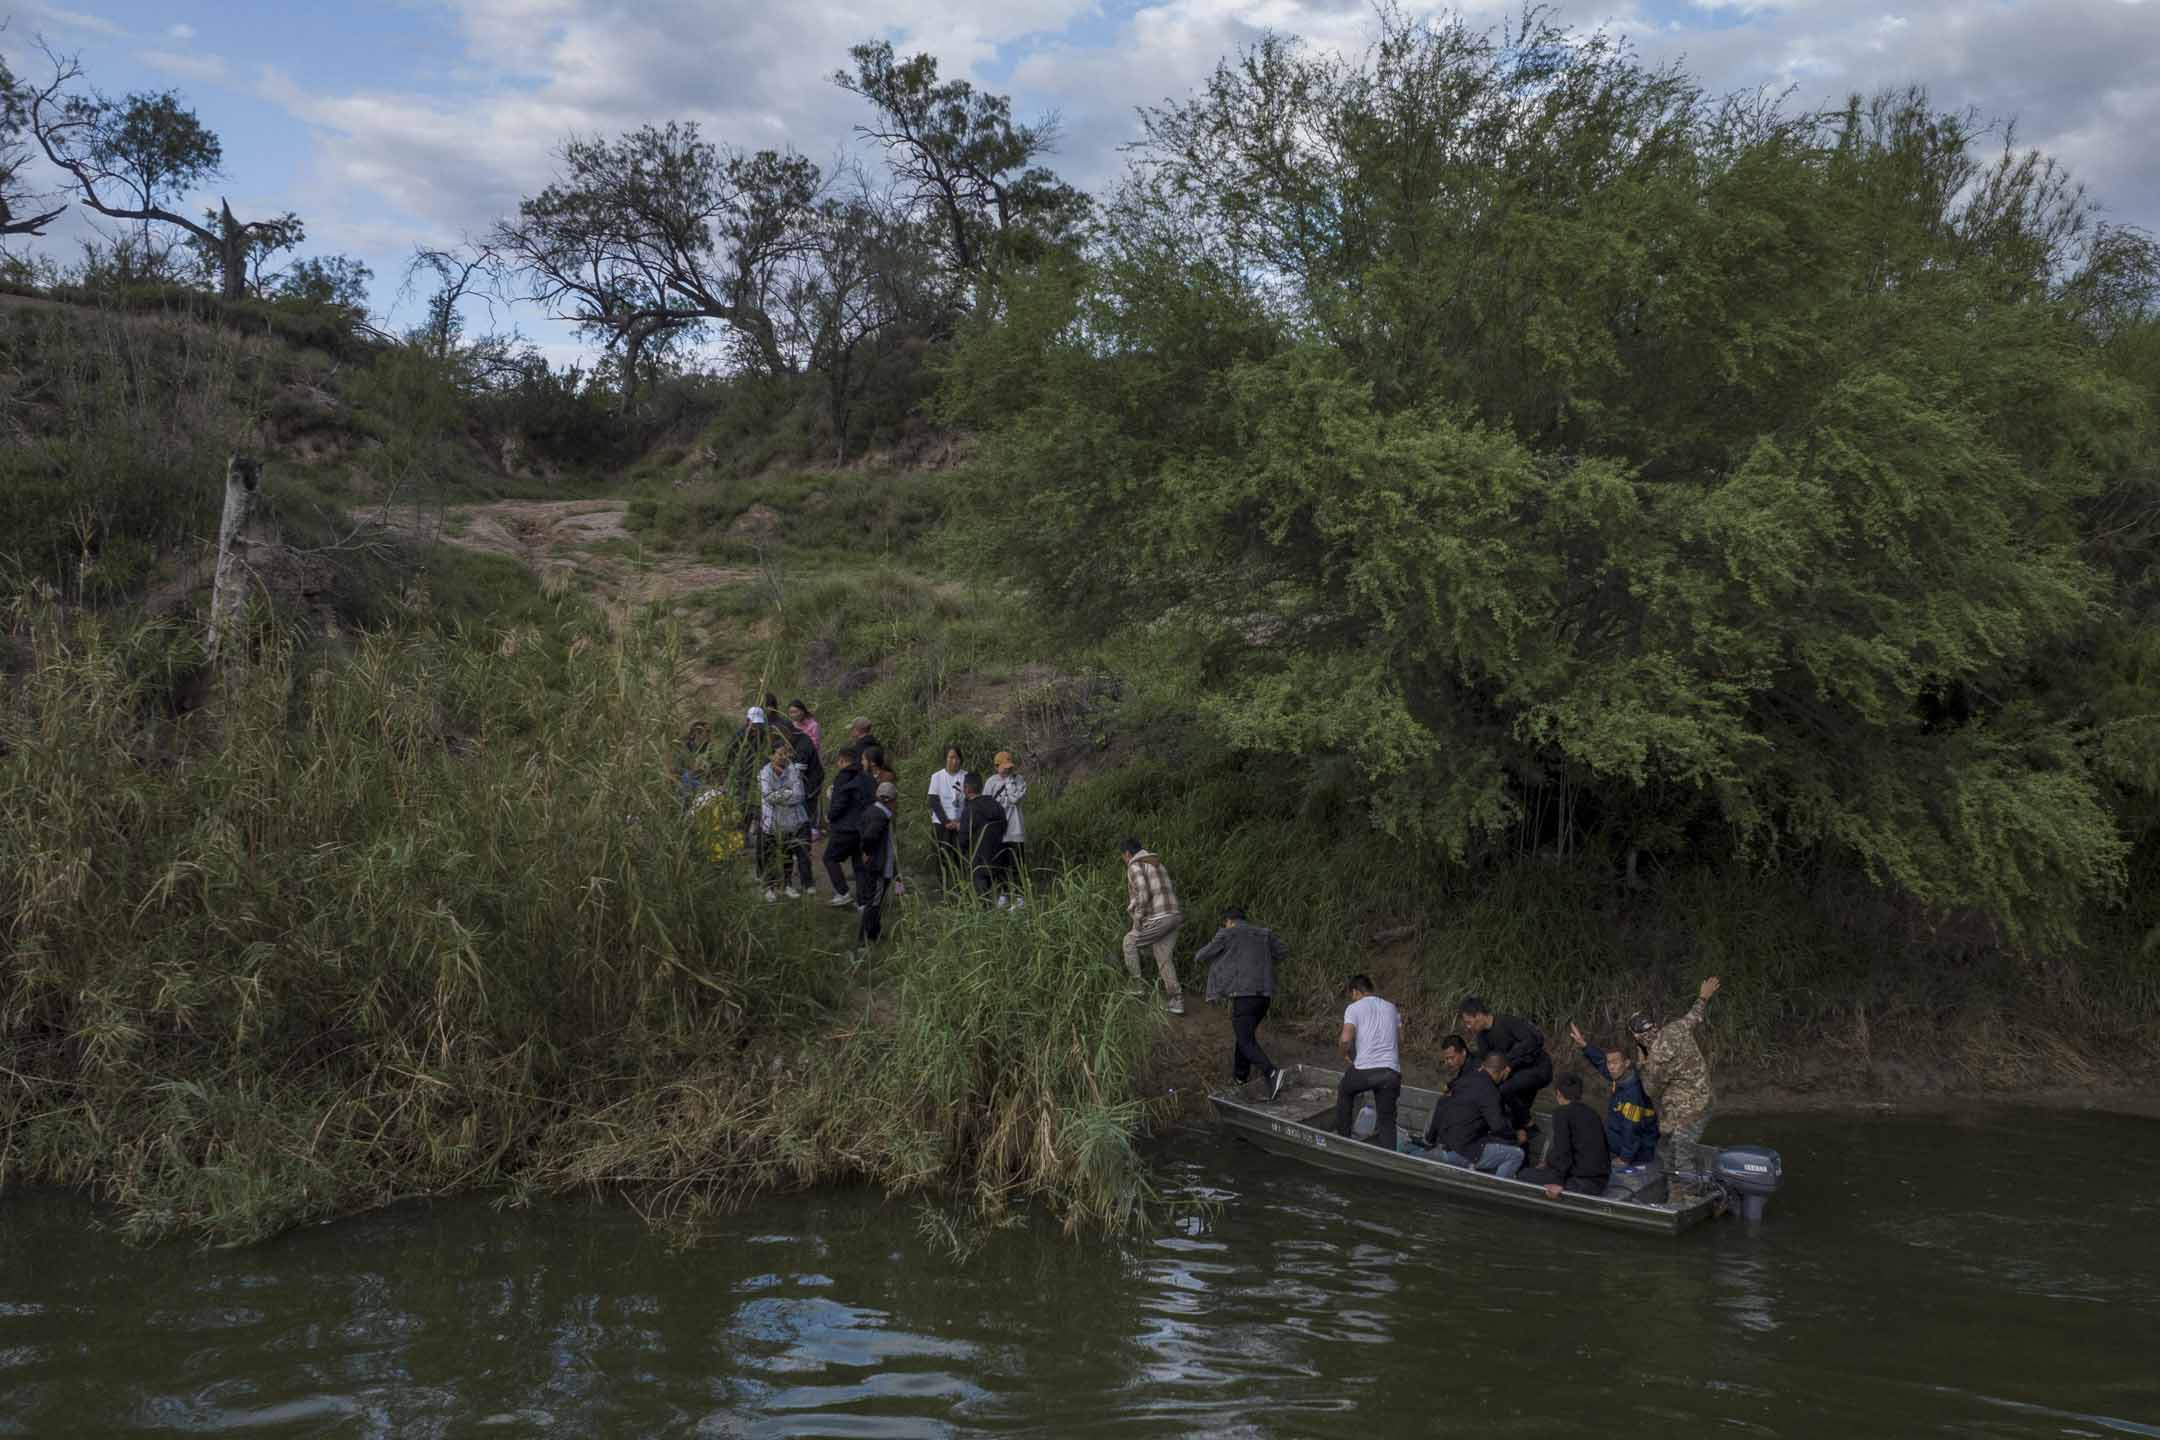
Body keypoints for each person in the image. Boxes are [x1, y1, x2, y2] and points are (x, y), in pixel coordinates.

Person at [1633, 976, 1722, 1177]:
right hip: (1706, 1101)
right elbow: (1694, 1016)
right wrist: (1703, 997)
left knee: (1681, 1159)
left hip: (1688, 1113)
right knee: (1668, 1145)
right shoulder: (1676, 1028)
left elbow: (1650, 1091)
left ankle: (1686, 1199)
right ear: (1654, 1025)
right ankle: (1674, 1184)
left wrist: (1642, 1064)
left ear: (1637, 1038)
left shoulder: (1654, 1061)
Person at [1197, 907, 1286, 1100]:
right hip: (1264, 996)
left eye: (1225, 923)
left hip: (1244, 997)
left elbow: (1202, 955)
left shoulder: (1227, 933)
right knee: (1244, 1037)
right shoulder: (1264, 933)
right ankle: (1240, 1077)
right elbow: (1282, 952)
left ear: (1229, 921)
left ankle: (1272, 1073)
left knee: (1245, 1040)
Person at [1458, 996, 1553, 1135]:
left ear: (1478, 1015)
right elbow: (1487, 1063)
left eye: (1469, 1022)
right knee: (1508, 1111)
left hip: (1539, 1068)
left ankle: (1529, 1124)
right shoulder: (1482, 1038)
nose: (1468, 1026)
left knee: (1505, 1089)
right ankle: (1525, 1135)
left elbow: (1534, 1040)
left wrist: (1508, 1062)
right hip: (1516, 1075)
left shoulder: (1508, 1022)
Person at [1569, 1022, 1660, 1166]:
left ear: (1627, 1063)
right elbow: (1600, 1061)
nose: (1610, 1067)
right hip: (1619, 1136)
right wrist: (1584, 1045)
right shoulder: (1620, 1076)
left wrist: (1625, 1158)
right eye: (1609, 1063)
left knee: (1585, 1136)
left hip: (1638, 1151)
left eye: (1615, 1063)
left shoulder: (1633, 1093)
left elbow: (1631, 1129)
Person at [1426, 1052, 1525, 1179]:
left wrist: (1430, 1141)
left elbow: (1441, 1105)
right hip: (1462, 1151)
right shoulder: (1490, 1091)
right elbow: (1498, 1127)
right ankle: (1495, 1190)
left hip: (1442, 1144)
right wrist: (1516, 1135)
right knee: (1516, 1154)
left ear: (1483, 1066)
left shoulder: (1464, 1079)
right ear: (1505, 1070)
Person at [1334, 974, 1403, 1149]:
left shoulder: (1354, 1008)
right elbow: (1401, 1037)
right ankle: (1389, 1159)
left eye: (1352, 994)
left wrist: (1343, 1053)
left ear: (1356, 992)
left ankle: (1343, 1140)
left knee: (1344, 1091)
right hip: (1391, 1073)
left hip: (1365, 1071)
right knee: (1387, 1120)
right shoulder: (1391, 1007)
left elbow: (1345, 1039)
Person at [1517, 1073, 1611, 1197]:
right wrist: (1549, 1162)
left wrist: (1558, 1183)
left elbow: (1563, 1150)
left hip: (1581, 1183)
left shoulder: (1562, 1113)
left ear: (1558, 1094)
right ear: (1580, 1094)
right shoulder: (1593, 1113)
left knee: (1524, 1174)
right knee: (1546, 1168)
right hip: (1601, 1181)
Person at [1121, 839, 1185, 1015]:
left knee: (1129, 942)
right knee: (1163, 957)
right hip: (1174, 916)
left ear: (1127, 854)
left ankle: (1136, 985)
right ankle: (1176, 1000)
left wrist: (1138, 919)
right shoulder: (1156, 864)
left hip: (1160, 917)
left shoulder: (1134, 866)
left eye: (1123, 857)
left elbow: (1143, 892)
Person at [755, 743, 811, 900]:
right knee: (770, 856)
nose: (784, 757)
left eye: (786, 754)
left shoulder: (793, 770)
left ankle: (787, 885)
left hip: (788, 822)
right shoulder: (764, 773)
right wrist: (788, 792)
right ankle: (769, 887)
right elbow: (768, 796)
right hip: (771, 822)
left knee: (787, 855)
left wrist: (780, 795)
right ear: (771, 755)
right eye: (780, 754)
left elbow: (799, 795)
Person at [822, 746, 872, 906]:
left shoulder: (843, 776)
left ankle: (843, 892)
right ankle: (863, 903)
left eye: (838, 762)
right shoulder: (865, 775)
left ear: (842, 760)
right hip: (862, 827)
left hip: (845, 828)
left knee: (829, 858)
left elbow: (840, 802)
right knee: (858, 864)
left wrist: (830, 816)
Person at [854, 781, 898, 947]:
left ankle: (875, 933)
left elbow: (861, 831)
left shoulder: (871, 811)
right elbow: (869, 837)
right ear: (891, 800)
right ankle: (864, 940)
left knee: (876, 901)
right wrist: (867, 851)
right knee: (873, 903)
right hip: (879, 867)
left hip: (875, 865)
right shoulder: (881, 817)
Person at [984, 751, 1028, 909]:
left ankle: (1020, 897)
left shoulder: (1019, 780)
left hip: (1016, 830)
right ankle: (1004, 894)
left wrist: (1009, 781)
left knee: (1017, 866)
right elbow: (986, 804)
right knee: (999, 866)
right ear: (996, 766)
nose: (1007, 770)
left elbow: (1016, 799)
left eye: (1009, 767)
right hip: (998, 832)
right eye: (1004, 767)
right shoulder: (991, 782)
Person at [960, 772, 1007, 901]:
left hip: (979, 864)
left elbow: (963, 840)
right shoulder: (996, 805)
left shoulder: (969, 809)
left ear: (967, 789)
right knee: (999, 900)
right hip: (999, 861)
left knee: (983, 903)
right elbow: (1004, 827)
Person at [926, 746, 968, 882]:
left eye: (957, 757)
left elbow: (970, 801)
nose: (954, 761)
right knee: (941, 856)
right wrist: (946, 822)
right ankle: (943, 886)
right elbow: (933, 801)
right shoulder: (937, 777)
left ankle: (961, 886)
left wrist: (960, 822)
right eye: (951, 757)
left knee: (960, 857)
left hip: (960, 824)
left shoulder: (965, 776)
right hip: (940, 823)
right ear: (945, 759)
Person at [677, 721, 712, 810]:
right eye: (707, 732)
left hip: (700, 783)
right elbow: (678, 770)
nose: (709, 735)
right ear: (697, 733)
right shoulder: (685, 748)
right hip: (688, 784)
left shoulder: (707, 748)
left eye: (709, 731)